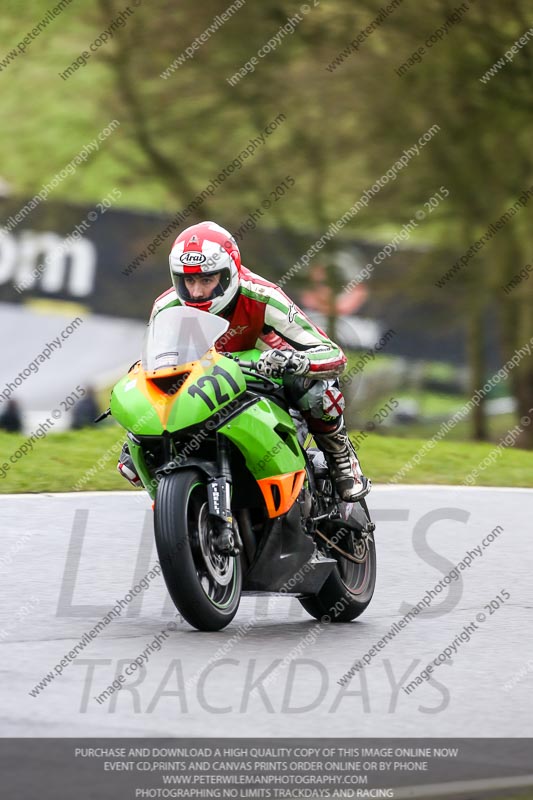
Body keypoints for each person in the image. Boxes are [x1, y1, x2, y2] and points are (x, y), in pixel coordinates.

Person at [118, 221, 370, 502]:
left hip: (269, 381)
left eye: (206, 279)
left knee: (319, 392)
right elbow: (157, 363)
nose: (197, 292)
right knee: (137, 447)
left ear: (229, 273)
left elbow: (332, 354)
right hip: (208, 386)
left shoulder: (263, 296)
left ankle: (341, 458)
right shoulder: (167, 306)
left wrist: (293, 361)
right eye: (189, 281)